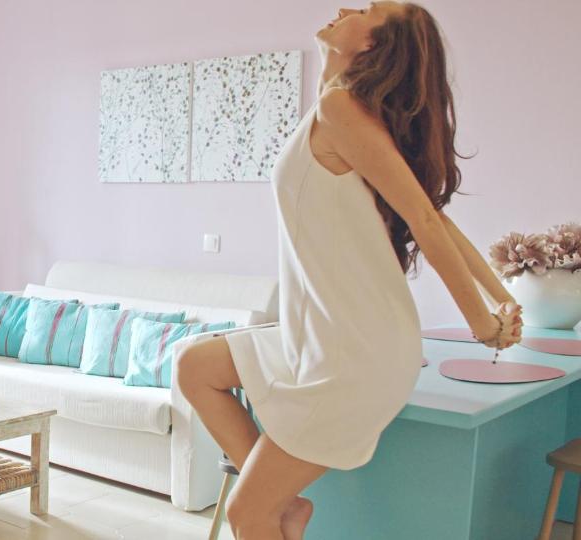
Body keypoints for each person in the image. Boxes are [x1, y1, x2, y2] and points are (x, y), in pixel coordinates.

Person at [175, 2, 524, 539]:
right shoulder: (335, 106)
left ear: (373, 46)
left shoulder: (342, 111)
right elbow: (437, 217)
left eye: (367, 9)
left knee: (246, 517)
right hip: (316, 334)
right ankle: (283, 506)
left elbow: (428, 221)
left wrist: (486, 318)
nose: (344, 7)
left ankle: (272, 509)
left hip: (355, 351)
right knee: (196, 366)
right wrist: (500, 297)